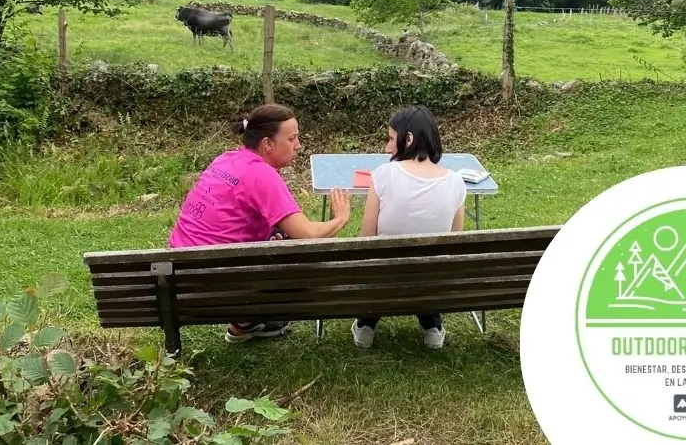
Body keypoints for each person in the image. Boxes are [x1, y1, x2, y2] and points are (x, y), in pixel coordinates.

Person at [169, 103, 352, 343]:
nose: (298, 146)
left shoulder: (226, 159)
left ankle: (246, 323)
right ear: (267, 144)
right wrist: (340, 219)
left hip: (178, 274)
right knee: (301, 254)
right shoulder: (262, 174)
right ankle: (247, 318)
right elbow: (308, 234)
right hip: (217, 284)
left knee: (280, 233)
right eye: (292, 139)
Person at [351, 105, 467, 350]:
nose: (387, 147)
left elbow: (365, 239)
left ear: (409, 139)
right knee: (428, 266)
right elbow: (454, 243)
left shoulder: (382, 174)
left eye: (392, 139)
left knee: (378, 262)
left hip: (384, 279)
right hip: (431, 282)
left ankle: (366, 325)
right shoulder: (457, 183)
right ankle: (432, 326)